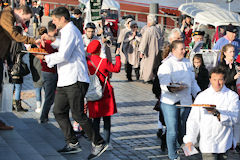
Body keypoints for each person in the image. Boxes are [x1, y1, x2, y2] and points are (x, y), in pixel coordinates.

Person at [35, 7, 108, 159]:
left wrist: (45, 58)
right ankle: (73, 142)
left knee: (78, 113)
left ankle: (99, 142)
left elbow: (64, 55)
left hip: (75, 79)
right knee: (59, 111)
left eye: (54, 20)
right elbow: (65, 46)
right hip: (66, 79)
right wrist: (52, 40)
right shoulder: (68, 31)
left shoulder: (70, 30)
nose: (53, 23)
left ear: (62, 19)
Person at [183, 66, 240, 160]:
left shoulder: (232, 96)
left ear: (225, 80)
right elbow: (193, 120)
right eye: (214, 80)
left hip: (224, 143)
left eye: (220, 80)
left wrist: (217, 114)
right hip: (207, 143)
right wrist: (190, 139)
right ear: (210, 79)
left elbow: (234, 119)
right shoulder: (202, 96)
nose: (217, 83)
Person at [157, 40, 201, 160]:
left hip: (185, 101)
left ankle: (187, 151)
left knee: (185, 130)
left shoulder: (187, 63)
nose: (184, 51)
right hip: (170, 101)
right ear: (173, 50)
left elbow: (192, 82)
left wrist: (199, 94)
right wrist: (171, 88)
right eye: (181, 49)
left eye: (184, 49)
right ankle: (173, 156)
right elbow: (164, 83)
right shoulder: (166, 64)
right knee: (172, 130)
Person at [152, 28, 183, 151]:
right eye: (177, 38)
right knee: (168, 118)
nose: (180, 40)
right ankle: (167, 138)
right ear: (170, 40)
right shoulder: (162, 53)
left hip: (182, 92)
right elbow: (156, 71)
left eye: (181, 38)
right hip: (166, 90)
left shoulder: (184, 52)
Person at [86, 40, 121, 150]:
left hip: (92, 92)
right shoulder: (103, 62)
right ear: (99, 49)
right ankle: (106, 142)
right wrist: (118, 56)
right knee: (106, 120)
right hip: (105, 93)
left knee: (95, 119)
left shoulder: (86, 62)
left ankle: (96, 141)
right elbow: (117, 69)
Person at [38, 21, 58, 124]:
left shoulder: (44, 40)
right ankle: (43, 116)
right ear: (55, 30)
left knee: (49, 95)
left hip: (45, 70)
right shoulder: (52, 42)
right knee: (50, 96)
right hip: (50, 71)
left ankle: (44, 115)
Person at [139, 14, 162, 83]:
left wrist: (141, 51)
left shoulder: (148, 30)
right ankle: (153, 77)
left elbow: (144, 41)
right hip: (156, 50)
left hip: (149, 51)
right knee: (154, 64)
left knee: (147, 65)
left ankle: (147, 78)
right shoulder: (157, 30)